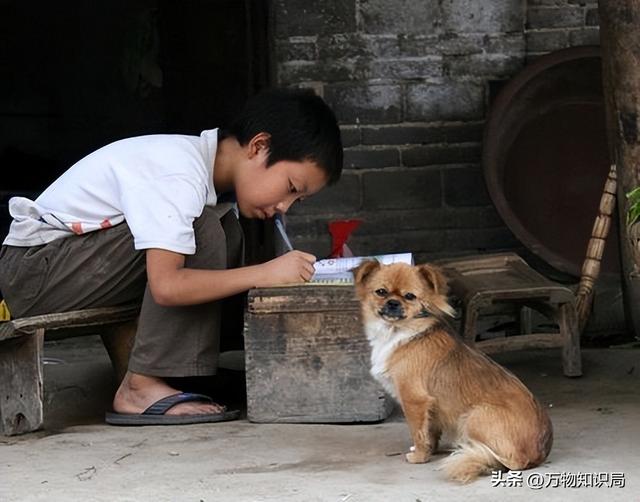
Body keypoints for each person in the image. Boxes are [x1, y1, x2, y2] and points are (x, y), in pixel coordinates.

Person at [0, 88, 343, 425]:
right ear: (259, 146)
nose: (285, 207)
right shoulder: (178, 172)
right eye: (291, 188)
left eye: (297, 200)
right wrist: (264, 273)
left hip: (64, 269)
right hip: (34, 275)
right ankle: (139, 388)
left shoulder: (198, 178)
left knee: (222, 226)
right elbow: (166, 286)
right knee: (203, 228)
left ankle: (181, 374)